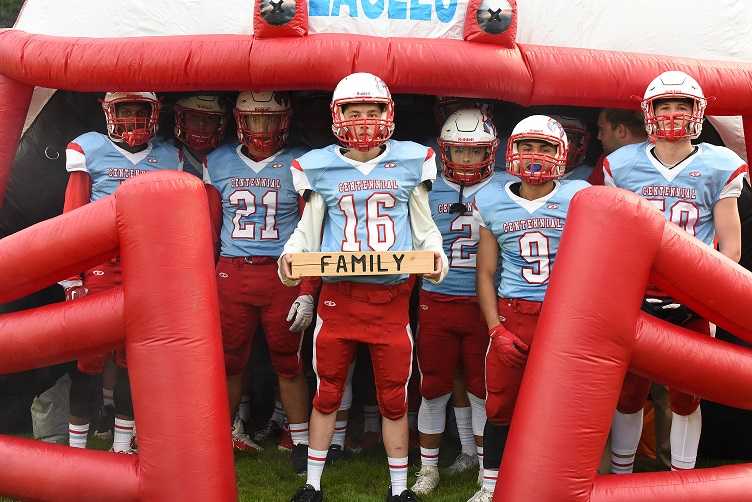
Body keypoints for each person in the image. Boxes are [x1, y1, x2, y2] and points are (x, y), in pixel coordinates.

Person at [279, 72, 448, 502]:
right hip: (340, 298)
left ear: (387, 115)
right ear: (338, 116)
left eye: (372, 111)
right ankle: (312, 485)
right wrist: (293, 256)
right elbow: (310, 228)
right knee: (328, 390)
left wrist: (435, 253)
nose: (363, 120)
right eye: (354, 112)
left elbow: (423, 223)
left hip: (391, 299)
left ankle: (399, 490)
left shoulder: (412, 159)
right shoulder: (318, 166)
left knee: (393, 396)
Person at [604, 70, 745, 474]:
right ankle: (622, 473)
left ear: (697, 112)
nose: (671, 114)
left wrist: (705, 290)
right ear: (648, 112)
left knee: (687, 396)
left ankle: (682, 479)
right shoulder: (622, 164)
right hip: (637, 297)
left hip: (692, 299)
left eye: (680, 105)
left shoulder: (720, 164)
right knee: (629, 392)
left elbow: (730, 248)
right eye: (663, 105)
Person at [469, 115, 590, 501]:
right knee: (500, 404)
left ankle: (557, 484)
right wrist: (494, 329)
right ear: (512, 150)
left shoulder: (579, 196)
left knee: (564, 408)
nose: (535, 155)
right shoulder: (491, 199)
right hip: (513, 312)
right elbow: (486, 273)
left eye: (545, 147)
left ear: (562, 154)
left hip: (563, 315)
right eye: (527, 146)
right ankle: (491, 487)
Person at [61, 91, 182, 453]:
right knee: (88, 361)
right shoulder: (90, 149)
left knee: (135, 359)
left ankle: (122, 443)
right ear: (108, 111)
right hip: (100, 266)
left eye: (139, 110)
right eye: (124, 109)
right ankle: (76, 447)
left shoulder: (167, 156)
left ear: (154, 113)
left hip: (144, 267)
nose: (132, 118)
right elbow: (73, 216)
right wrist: (71, 276)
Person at [204, 91, 315, 473]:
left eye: (269, 119)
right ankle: (221, 434)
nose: (261, 128)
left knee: (289, 361)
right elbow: (208, 227)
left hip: (280, 272)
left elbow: (310, 229)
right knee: (230, 359)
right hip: (232, 270)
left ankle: (300, 441)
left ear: (284, 121)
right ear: (239, 121)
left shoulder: (300, 163)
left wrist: (305, 288)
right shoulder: (217, 161)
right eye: (254, 119)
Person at [410, 108, 498, 496]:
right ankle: (429, 469)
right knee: (434, 385)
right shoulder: (426, 186)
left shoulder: (505, 188)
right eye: (458, 151)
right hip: (436, 298)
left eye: (474, 151)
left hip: (483, 302)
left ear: (489, 153)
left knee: (482, 387)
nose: (465, 159)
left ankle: (483, 467)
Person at [173, 94, 228, 177]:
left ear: (220, 123)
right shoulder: (167, 156)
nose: (201, 124)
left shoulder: (230, 159)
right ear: (182, 118)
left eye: (210, 118)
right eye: (194, 116)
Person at [588, 109, 647, 186]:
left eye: (602, 129)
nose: (598, 137)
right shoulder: (606, 159)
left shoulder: (609, 162)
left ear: (620, 131)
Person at [550, 114, 594, 181]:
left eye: (570, 138)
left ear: (581, 142)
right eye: (556, 138)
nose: (563, 145)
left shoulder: (591, 176)